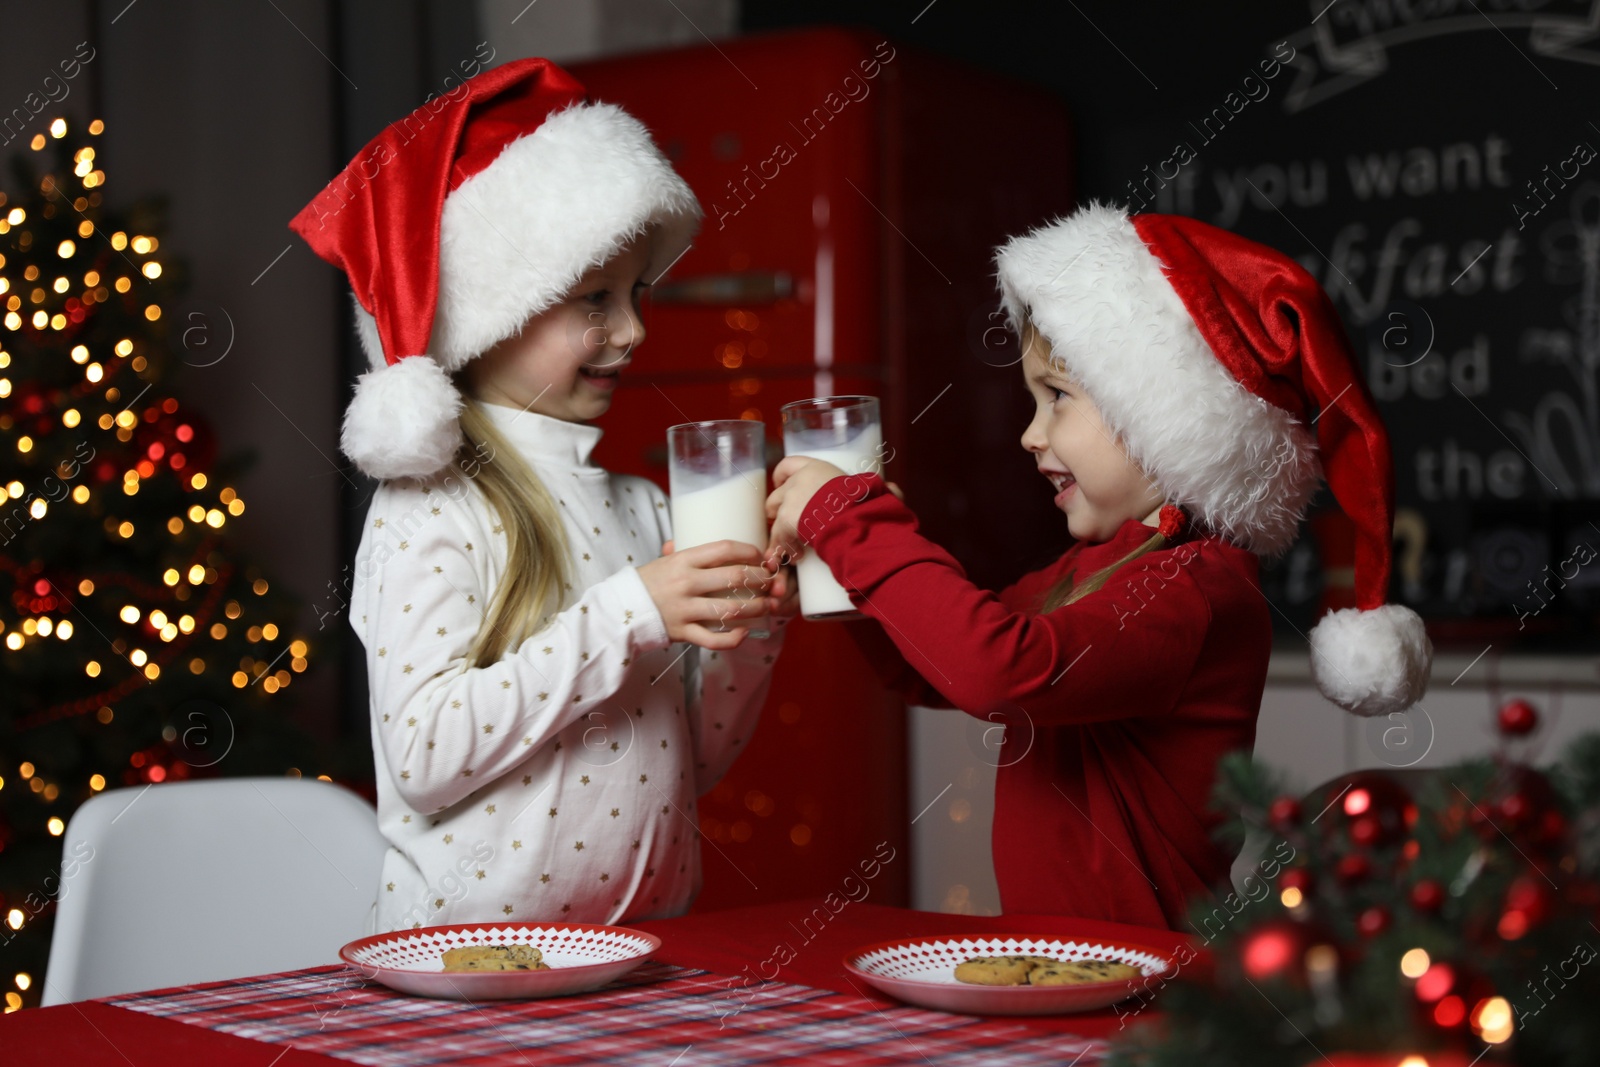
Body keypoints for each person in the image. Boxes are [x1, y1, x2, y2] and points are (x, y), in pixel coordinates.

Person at [763, 200, 1433, 930]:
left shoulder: (1197, 589)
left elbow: (998, 671)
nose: (1029, 433)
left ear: (1162, 418)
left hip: (1155, 995)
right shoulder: (1087, 570)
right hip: (1067, 971)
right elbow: (935, 666)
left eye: (1057, 399)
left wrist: (856, 522)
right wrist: (842, 578)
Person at [289, 57, 792, 933]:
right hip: (471, 967)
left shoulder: (645, 509)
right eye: (595, 298)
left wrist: (753, 627)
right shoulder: (433, 505)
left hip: (643, 951)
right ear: (486, 313)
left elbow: (693, 760)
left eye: (637, 292)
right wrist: (628, 612)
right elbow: (424, 753)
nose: (634, 330)